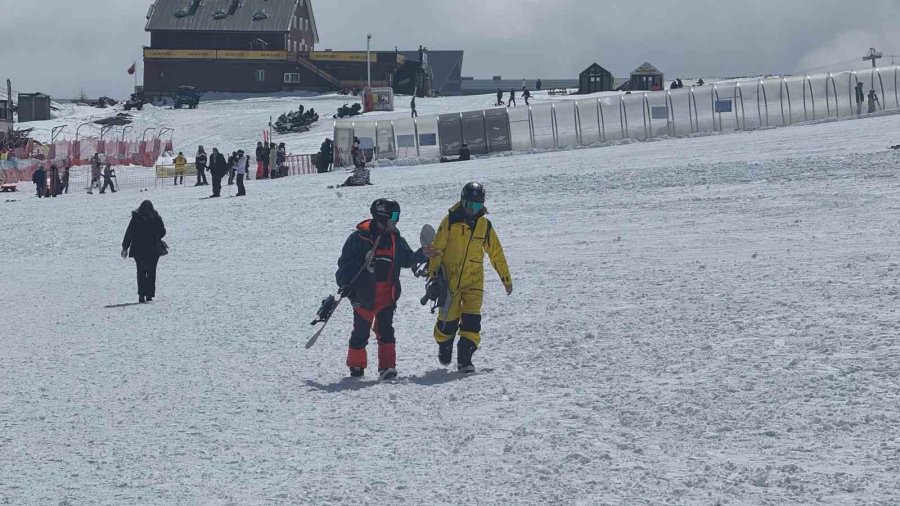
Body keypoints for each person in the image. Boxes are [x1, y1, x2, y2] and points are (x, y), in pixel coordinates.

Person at [336, 198, 431, 379]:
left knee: (386, 331)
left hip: (386, 296)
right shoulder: (358, 238)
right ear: (381, 216)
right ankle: (356, 366)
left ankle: (387, 368)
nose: (396, 220)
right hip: (363, 296)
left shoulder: (396, 239)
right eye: (394, 216)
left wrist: (422, 254)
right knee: (361, 333)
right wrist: (361, 262)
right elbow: (343, 268)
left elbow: (407, 259)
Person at [427, 183, 512, 373]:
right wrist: (432, 274)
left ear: (481, 205)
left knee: (472, 321)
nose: (471, 210)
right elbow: (436, 249)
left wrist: (505, 278)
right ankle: (444, 343)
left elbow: (496, 253)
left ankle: (465, 358)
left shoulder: (485, 226)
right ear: (462, 201)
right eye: (468, 205)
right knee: (447, 323)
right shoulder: (449, 222)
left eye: (475, 206)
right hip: (450, 281)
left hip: (474, 282)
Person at [121, 200, 166, 304]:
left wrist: (125, 247)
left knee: (140, 272)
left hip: (138, 249)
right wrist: (156, 236)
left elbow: (129, 233)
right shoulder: (156, 218)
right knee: (151, 272)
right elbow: (163, 232)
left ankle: (141, 295)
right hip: (153, 249)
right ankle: (149, 294)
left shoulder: (136, 219)